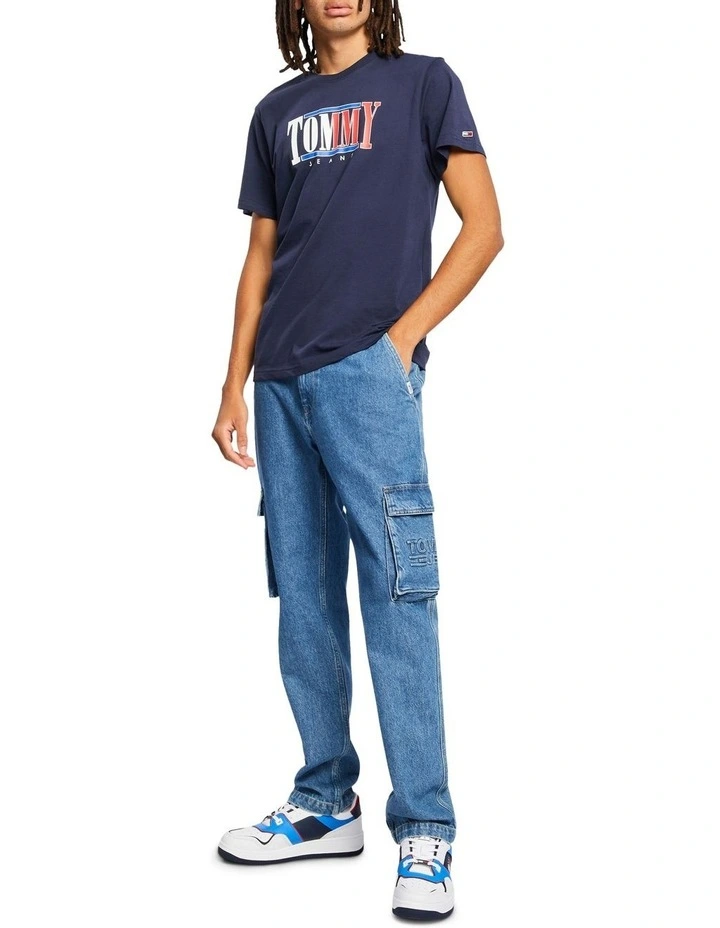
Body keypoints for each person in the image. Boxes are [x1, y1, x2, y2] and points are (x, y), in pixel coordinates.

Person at [211, 0, 503, 920]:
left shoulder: (424, 85)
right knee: (302, 593)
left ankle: (426, 829)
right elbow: (261, 256)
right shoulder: (275, 112)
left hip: (368, 377)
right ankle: (325, 801)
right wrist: (233, 384)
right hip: (280, 382)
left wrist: (401, 343)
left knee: (398, 593)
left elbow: (485, 227)